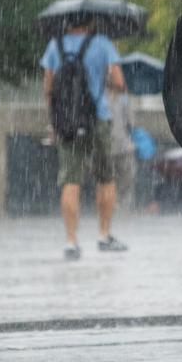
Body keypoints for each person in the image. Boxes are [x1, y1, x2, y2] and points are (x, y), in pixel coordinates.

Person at [41, 17, 128, 260]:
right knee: (106, 177)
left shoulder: (54, 45)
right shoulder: (102, 43)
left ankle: (71, 241)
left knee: (70, 179)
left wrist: (55, 120)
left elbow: (48, 88)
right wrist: (102, 78)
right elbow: (119, 82)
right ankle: (104, 235)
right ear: (91, 22)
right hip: (97, 117)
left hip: (67, 123)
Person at [107, 84, 137, 210]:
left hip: (112, 145)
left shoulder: (99, 97)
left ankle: (115, 204)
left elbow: (131, 122)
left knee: (110, 178)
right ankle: (118, 204)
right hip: (120, 145)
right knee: (125, 179)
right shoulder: (123, 99)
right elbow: (131, 123)